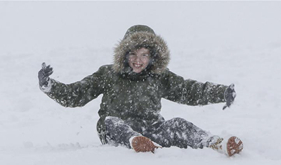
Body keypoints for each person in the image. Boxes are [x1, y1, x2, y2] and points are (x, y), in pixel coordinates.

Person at [38, 25, 243, 156]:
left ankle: (214, 142)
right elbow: (76, 95)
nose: (138, 60)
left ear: (152, 57)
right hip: (117, 131)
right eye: (133, 54)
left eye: (144, 55)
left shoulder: (159, 76)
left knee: (178, 124)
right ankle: (135, 142)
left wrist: (221, 92)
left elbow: (189, 90)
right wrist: (50, 85)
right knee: (111, 122)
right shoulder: (109, 73)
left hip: (152, 129)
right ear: (124, 55)